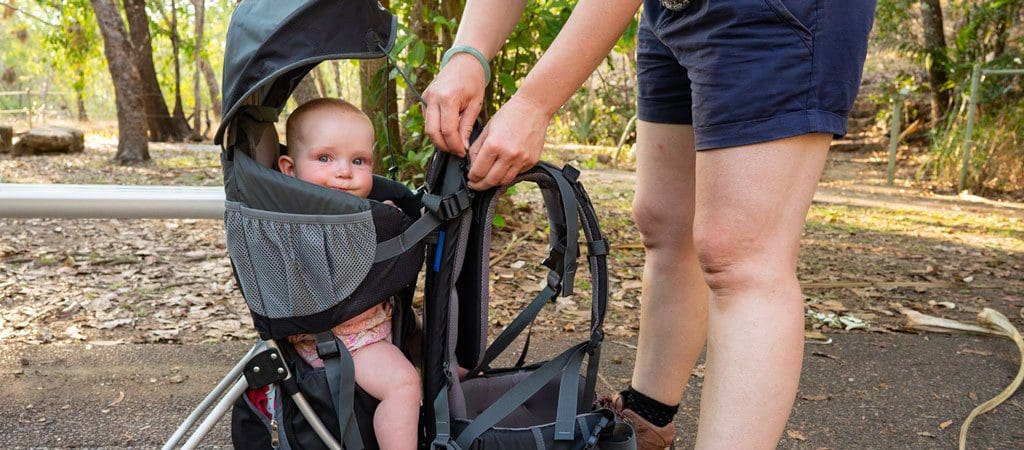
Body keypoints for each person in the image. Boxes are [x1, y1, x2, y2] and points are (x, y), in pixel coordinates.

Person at [422, 0, 876, 448]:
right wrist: (469, 54)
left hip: (779, 12)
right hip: (674, 11)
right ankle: (648, 422)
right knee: (666, 224)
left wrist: (534, 105)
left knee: (739, 255)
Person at [278, 97, 420, 450]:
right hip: (341, 338)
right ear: (289, 168)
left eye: (359, 161)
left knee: (426, 335)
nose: (344, 171)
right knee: (402, 385)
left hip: (369, 320)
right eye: (325, 158)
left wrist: (378, 217)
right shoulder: (301, 216)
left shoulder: (354, 210)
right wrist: (379, 226)